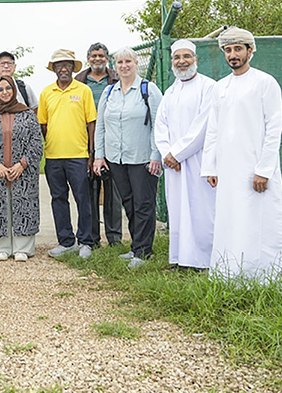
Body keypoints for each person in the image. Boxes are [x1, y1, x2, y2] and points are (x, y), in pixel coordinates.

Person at [201, 27, 282, 282]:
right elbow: (214, 129)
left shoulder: (266, 83)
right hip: (228, 169)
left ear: (250, 51)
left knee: (260, 221)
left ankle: (268, 278)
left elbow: (274, 129)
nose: (232, 55)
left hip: (256, 169)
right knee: (231, 220)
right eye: (228, 50)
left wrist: (264, 169)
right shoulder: (220, 87)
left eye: (238, 49)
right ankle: (230, 275)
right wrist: (210, 167)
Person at [93, 46, 162, 268]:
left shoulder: (148, 89)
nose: (124, 66)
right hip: (117, 159)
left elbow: (158, 126)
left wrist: (156, 155)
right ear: (115, 66)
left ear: (136, 64)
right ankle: (136, 247)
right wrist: (99, 156)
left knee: (144, 204)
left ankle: (143, 252)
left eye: (128, 62)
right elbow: (101, 126)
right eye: (120, 62)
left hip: (142, 158)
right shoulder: (109, 92)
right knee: (129, 203)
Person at [153, 39, 217, 270]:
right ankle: (180, 259)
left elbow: (203, 126)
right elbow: (160, 126)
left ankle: (204, 261)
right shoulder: (171, 91)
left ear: (196, 59)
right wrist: (167, 153)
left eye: (186, 56)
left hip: (199, 161)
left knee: (201, 211)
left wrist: (177, 154)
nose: (182, 62)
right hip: (175, 166)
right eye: (177, 58)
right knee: (178, 212)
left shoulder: (209, 87)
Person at [38, 50, 97, 259]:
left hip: (79, 156)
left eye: (67, 64)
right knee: (58, 199)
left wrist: (90, 153)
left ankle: (86, 242)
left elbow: (91, 123)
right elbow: (43, 125)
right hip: (53, 157)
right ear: (53, 68)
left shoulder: (83, 91)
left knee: (83, 199)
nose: (63, 68)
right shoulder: (46, 93)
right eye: (59, 65)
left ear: (73, 68)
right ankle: (66, 242)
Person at [0, 75, 43, 261]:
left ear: (14, 90)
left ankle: (23, 247)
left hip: (23, 171)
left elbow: (36, 142)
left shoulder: (28, 115)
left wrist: (21, 165)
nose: (4, 92)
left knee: (24, 206)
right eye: (0, 89)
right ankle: (1, 247)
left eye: (8, 88)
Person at [74, 42, 121, 247]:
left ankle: (114, 238)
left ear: (107, 58)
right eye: (93, 56)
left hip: (112, 138)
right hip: (86, 139)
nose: (97, 59)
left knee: (113, 192)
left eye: (101, 56)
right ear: (88, 58)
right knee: (90, 191)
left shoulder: (116, 79)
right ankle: (92, 238)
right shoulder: (80, 81)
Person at [0, 51, 38, 125]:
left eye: (9, 63)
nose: (6, 66)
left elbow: (35, 111)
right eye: (2, 63)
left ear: (14, 67)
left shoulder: (24, 88)